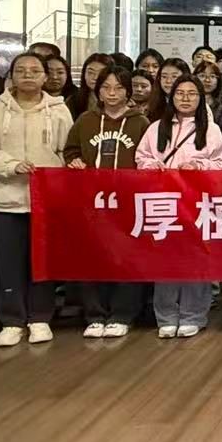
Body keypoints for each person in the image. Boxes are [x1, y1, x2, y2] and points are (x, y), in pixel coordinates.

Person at [0, 53, 73, 346]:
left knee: (43, 262)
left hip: (46, 201)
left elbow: (67, 151)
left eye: (35, 70)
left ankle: (40, 317)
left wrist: (56, 178)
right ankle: (12, 320)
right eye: (21, 70)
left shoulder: (59, 110)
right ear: (11, 76)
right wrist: (10, 165)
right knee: (9, 263)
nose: (28, 75)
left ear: (45, 77)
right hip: (5, 198)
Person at [136, 75, 222, 338]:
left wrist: (199, 166)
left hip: (197, 202)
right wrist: (151, 166)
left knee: (196, 259)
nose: (185, 98)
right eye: (180, 93)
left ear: (201, 99)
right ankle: (166, 316)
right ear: (171, 96)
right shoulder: (156, 128)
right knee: (165, 260)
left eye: (192, 94)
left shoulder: (210, 130)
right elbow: (141, 157)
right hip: (163, 201)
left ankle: (193, 315)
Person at [62, 63, 151, 338]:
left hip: (128, 202)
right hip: (92, 203)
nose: (112, 93)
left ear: (128, 91)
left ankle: (123, 314)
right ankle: (95, 314)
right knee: (93, 257)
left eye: (119, 88)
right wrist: (74, 161)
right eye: (106, 87)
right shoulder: (85, 120)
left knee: (126, 258)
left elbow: (148, 158)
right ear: (98, 90)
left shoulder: (140, 123)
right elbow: (70, 151)